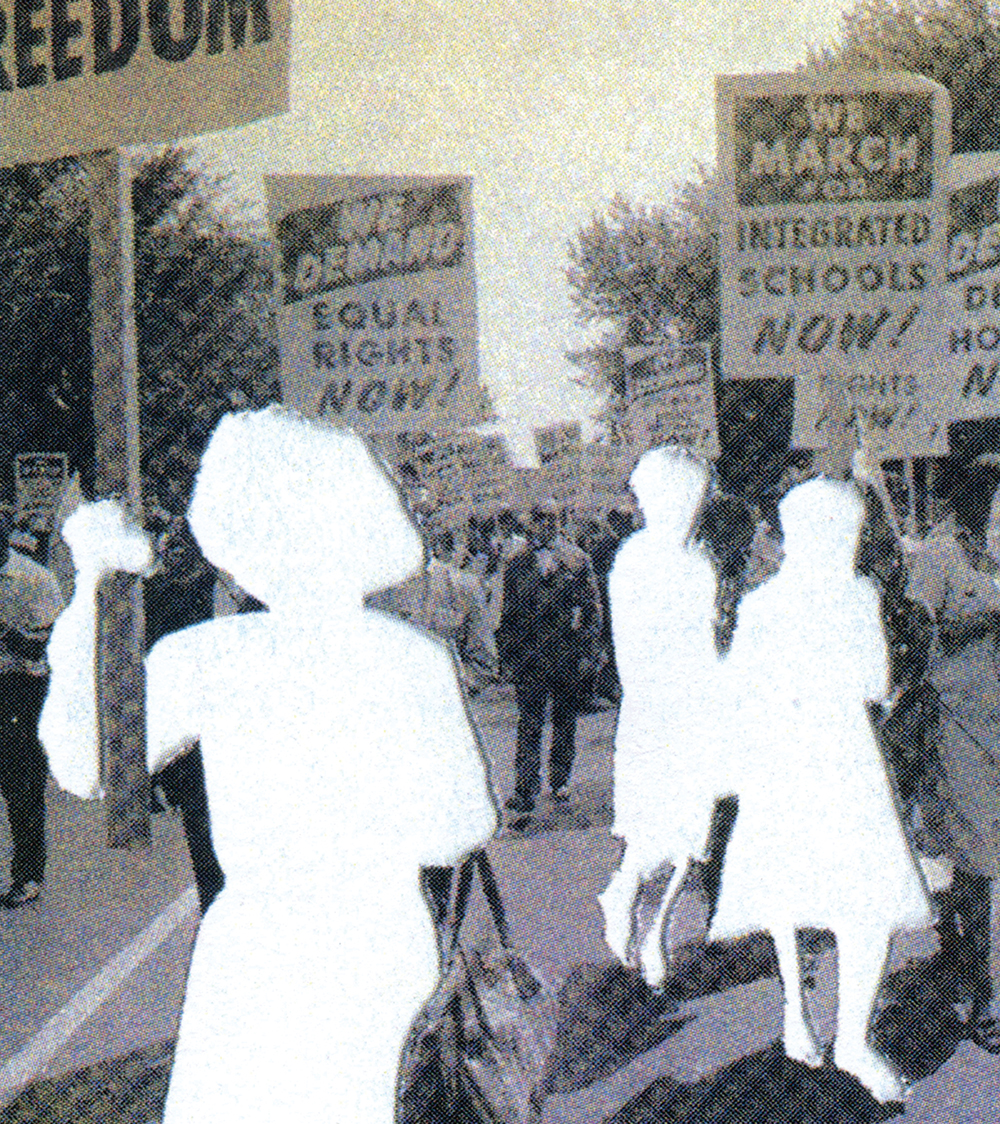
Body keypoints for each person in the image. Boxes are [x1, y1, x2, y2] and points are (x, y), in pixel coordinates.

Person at [40, 406, 496, 1123]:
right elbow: (460, 827)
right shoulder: (413, 657)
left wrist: (88, 592)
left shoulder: (208, 656)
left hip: (257, 945)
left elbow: (84, 764)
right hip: (379, 935)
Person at [710, 477, 931, 1102]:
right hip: (842, 757)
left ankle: (796, 1016)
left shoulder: (759, 605)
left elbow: (740, 691)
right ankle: (852, 1039)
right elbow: (874, 683)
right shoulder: (856, 595)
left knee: (787, 891)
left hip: (781, 759)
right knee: (864, 902)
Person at [598, 447, 730, 984]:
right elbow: (642, 645)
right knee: (665, 820)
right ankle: (630, 894)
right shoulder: (654, 561)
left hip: (679, 706)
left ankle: (652, 923)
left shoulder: (683, 559)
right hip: (666, 706)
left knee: (690, 826)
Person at [903, 506, 1000, 1051]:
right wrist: (987, 614)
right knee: (978, 859)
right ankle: (983, 990)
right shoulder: (938, 555)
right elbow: (917, 635)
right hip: (961, 726)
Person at [495, 497, 602, 821]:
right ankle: (525, 787)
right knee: (529, 723)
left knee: (564, 721)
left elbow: (592, 609)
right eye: (540, 518)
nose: (546, 524)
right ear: (531, 522)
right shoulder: (517, 563)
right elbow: (508, 613)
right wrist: (508, 656)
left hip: (566, 655)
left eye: (552, 518)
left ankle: (560, 779)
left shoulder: (576, 559)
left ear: (560, 521)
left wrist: (589, 651)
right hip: (530, 658)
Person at [0, 514, 65, 907]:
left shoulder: (34, 579)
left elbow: (43, 646)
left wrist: (6, 631)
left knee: (21, 786)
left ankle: (28, 874)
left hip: (20, 687)